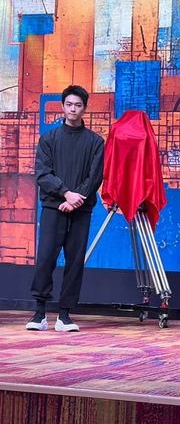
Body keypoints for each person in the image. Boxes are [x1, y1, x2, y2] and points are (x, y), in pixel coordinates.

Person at [26, 85, 104, 332]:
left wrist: (75, 199)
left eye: (78, 105)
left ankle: (65, 315)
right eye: (69, 104)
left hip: (81, 209)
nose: (73, 109)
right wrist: (65, 193)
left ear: (84, 108)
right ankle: (39, 314)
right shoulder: (48, 139)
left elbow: (95, 177)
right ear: (63, 106)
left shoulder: (95, 142)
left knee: (75, 261)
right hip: (53, 206)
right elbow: (42, 174)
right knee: (46, 257)